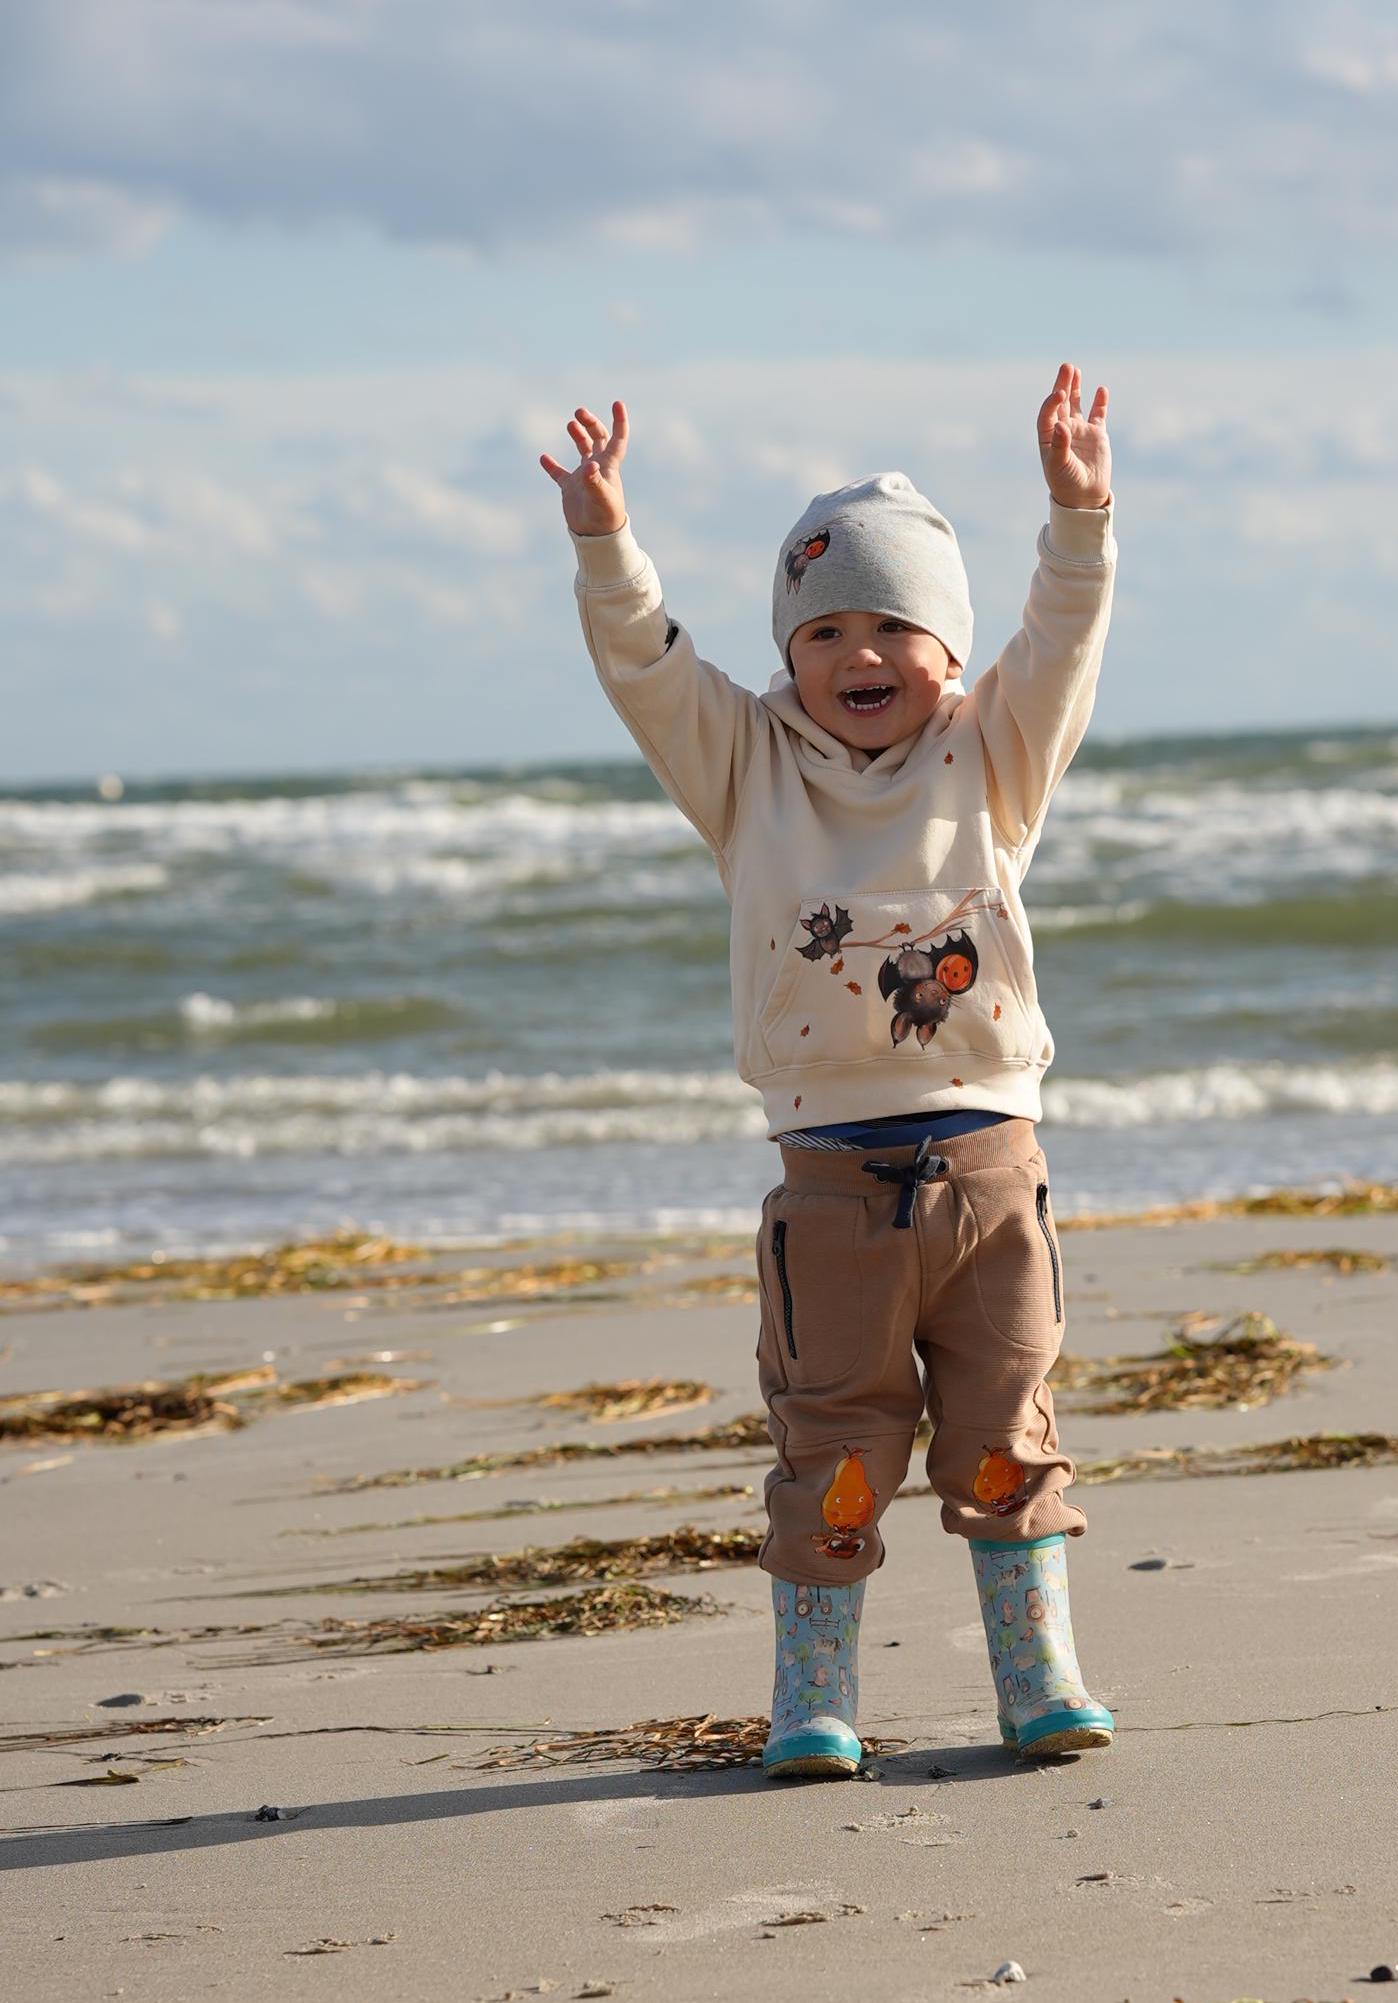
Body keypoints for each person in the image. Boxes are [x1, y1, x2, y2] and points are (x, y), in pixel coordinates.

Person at [540, 364, 1118, 1778]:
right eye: (827, 630)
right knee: (833, 1448)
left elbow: (1059, 640)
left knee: (1004, 1435)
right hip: (830, 1190)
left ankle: (1038, 1682)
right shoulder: (744, 767)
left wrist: (1078, 519)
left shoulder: (993, 758)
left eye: (896, 629)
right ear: (788, 652)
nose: (861, 656)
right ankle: (815, 1700)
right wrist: (608, 544)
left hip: (991, 1177)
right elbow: (647, 667)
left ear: (949, 654)